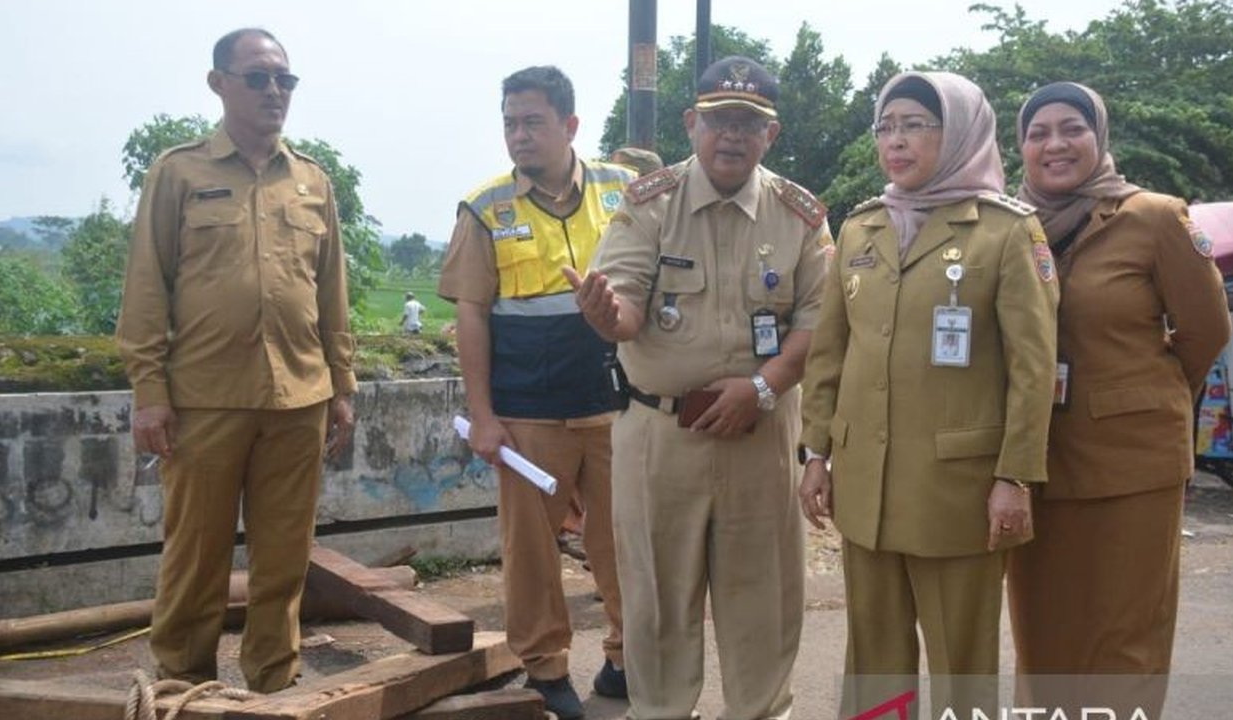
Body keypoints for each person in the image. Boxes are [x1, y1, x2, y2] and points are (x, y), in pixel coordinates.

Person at [570, 56, 830, 720]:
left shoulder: (798, 215)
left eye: (749, 123)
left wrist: (763, 388)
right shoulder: (650, 203)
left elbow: (816, 322)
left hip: (762, 435)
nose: (732, 136)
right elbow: (624, 301)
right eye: (719, 121)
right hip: (661, 436)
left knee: (764, 602)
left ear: (770, 135)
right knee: (657, 603)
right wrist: (609, 316)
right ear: (692, 124)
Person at [797, 71, 1059, 717]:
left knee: (961, 660)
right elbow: (831, 353)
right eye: (886, 126)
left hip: (959, 490)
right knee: (874, 655)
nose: (897, 140)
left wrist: (1015, 477)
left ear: (961, 130)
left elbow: (1034, 366)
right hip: (867, 485)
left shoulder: (1004, 231)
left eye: (915, 123)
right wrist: (816, 453)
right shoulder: (861, 228)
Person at [116, 28, 356, 693]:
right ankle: (181, 687)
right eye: (257, 77)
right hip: (203, 402)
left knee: (282, 564)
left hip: (298, 402)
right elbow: (145, 288)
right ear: (218, 83)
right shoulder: (179, 173)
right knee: (196, 560)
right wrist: (149, 391)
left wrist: (342, 385)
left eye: (284, 79)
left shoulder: (312, 181)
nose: (274, 90)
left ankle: (274, 687)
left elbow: (331, 293)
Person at [1006, 82, 1231, 717]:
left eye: (1071, 127)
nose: (1054, 143)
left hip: (1133, 465)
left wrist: (1142, 399)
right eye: (1037, 131)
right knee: (1042, 636)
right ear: (1020, 146)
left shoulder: (1155, 216)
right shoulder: (1009, 225)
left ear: (1099, 136)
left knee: (1125, 638)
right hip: (1035, 461)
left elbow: (1206, 332)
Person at [436, 65, 633, 720]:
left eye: (532, 122)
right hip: (527, 418)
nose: (518, 135)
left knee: (625, 540)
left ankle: (625, 658)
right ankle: (545, 669)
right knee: (532, 556)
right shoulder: (486, 208)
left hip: (616, 407)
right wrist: (484, 417)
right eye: (509, 123)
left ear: (570, 125)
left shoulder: (624, 190)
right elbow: (470, 316)